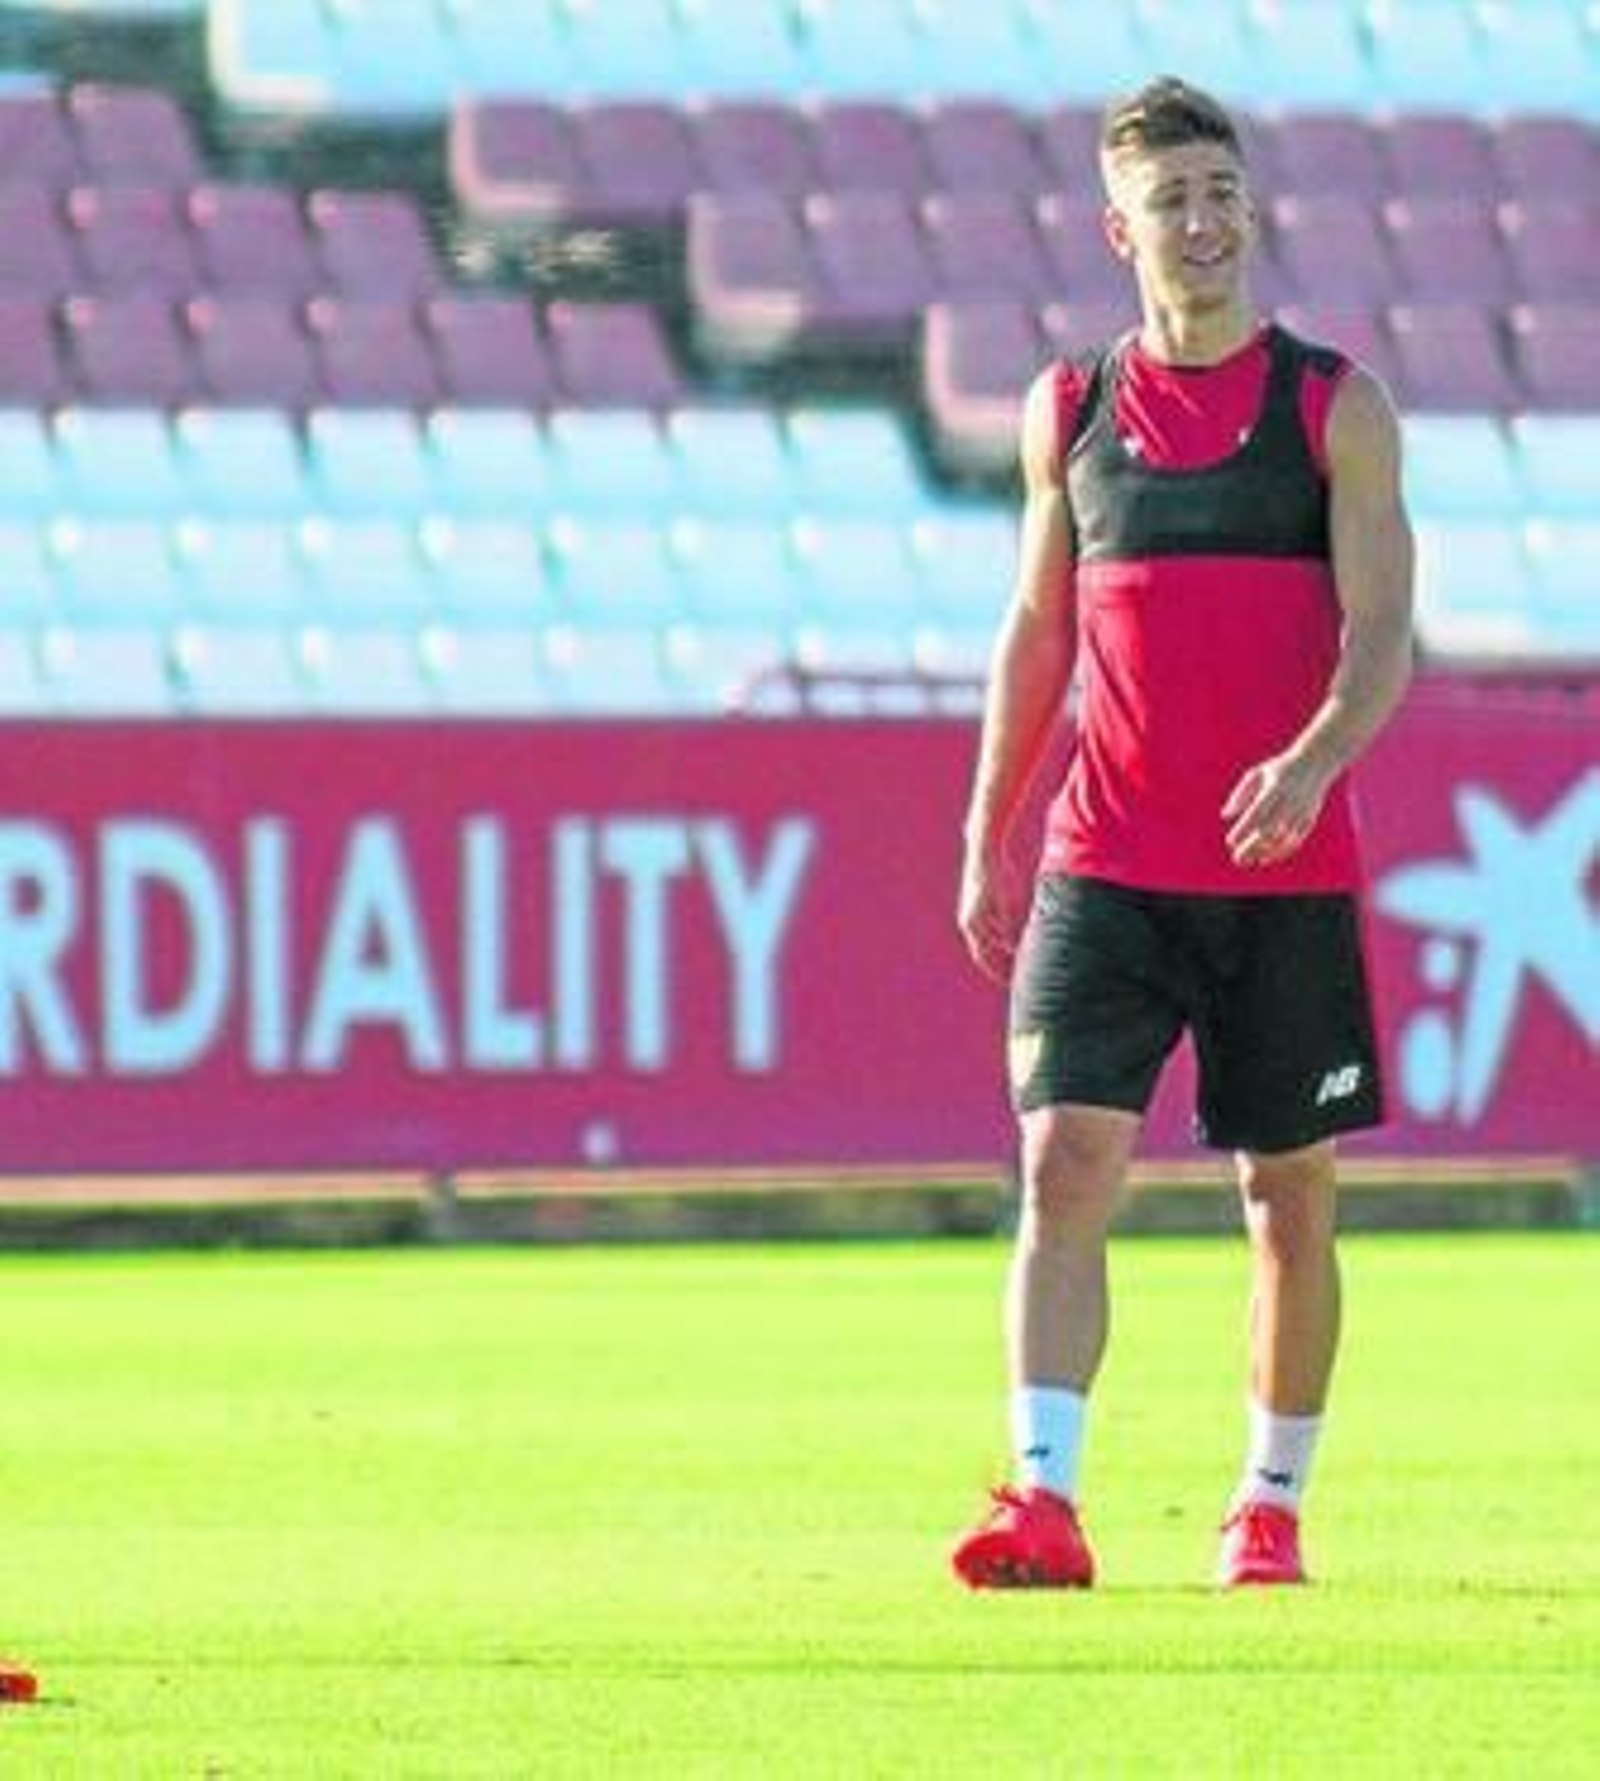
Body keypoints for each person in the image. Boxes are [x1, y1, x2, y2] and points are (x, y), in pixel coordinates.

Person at [949, 76, 1414, 1591]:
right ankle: (1043, 1498)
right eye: (1173, 200)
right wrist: (988, 826)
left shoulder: (1333, 407)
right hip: (1106, 865)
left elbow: (1384, 636)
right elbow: (1036, 631)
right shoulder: (1069, 409)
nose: (1205, 222)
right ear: (1119, 230)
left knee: (1287, 1197)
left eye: (1222, 193)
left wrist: (1313, 760)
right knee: (1061, 1164)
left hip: (1282, 871)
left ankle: (1268, 1505)